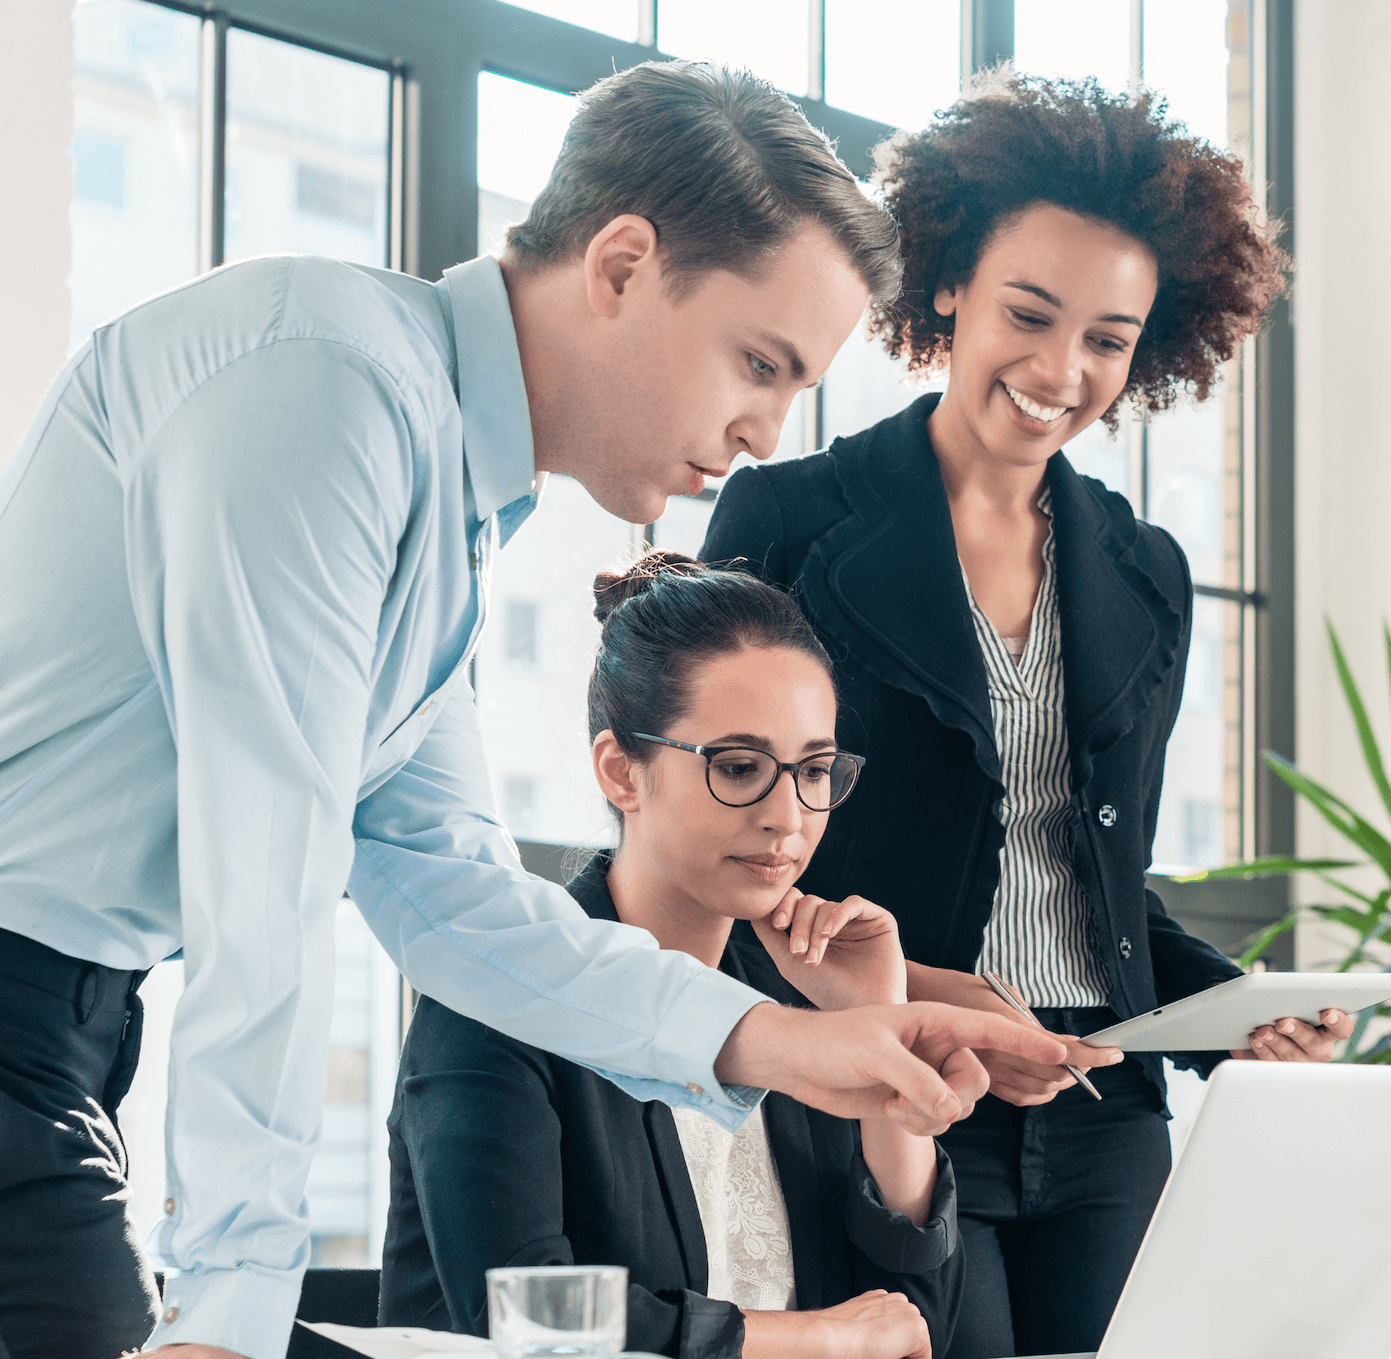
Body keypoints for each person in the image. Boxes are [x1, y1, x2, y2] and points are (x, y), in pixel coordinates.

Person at [0, 60, 1061, 1359]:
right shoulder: (326, 384)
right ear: (624, 266)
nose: (766, 429)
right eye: (758, 364)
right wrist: (226, 1298)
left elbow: (456, 900)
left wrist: (790, 1044)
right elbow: (265, 859)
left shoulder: (440, 503)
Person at [698, 69, 1338, 1359]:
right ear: (947, 288)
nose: (1061, 369)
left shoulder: (1143, 570)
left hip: (1103, 1114)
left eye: (1107, 339)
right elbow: (725, 852)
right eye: (1028, 314)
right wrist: (931, 994)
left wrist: (1232, 1007)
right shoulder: (789, 520)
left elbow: (1106, 888)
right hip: (891, 1080)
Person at [385, 553, 961, 1359]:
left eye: (815, 770)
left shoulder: (798, 995)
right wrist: (821, 1337)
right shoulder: (498, 986)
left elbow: (912, 1319)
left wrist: (877, 1022)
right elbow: (517, 1310)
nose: (787, 817)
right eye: (737, 767)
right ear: (622, 770)